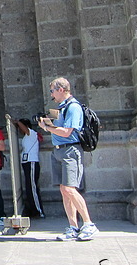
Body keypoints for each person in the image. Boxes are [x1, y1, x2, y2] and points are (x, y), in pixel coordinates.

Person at [39, 77, 99, 241]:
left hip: (70, 150)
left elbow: (67, 132)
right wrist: (46, 122)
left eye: (52, 90)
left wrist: (47, 127)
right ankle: (73, 227)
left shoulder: (73, 107)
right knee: (64, 191)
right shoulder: (61, 107)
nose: (51, 94)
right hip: (59, 151)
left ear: (61, 89)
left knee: (70, 189)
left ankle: (88, 224)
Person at [13, 118, 45, 218]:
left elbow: (25, 129)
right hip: (26, 163)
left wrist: (17, 121)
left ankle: (38, 211)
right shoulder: (25, 138)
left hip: (32, 162)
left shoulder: (31, 133)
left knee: (32, 188)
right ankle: (32, 209)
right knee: (29, 188)